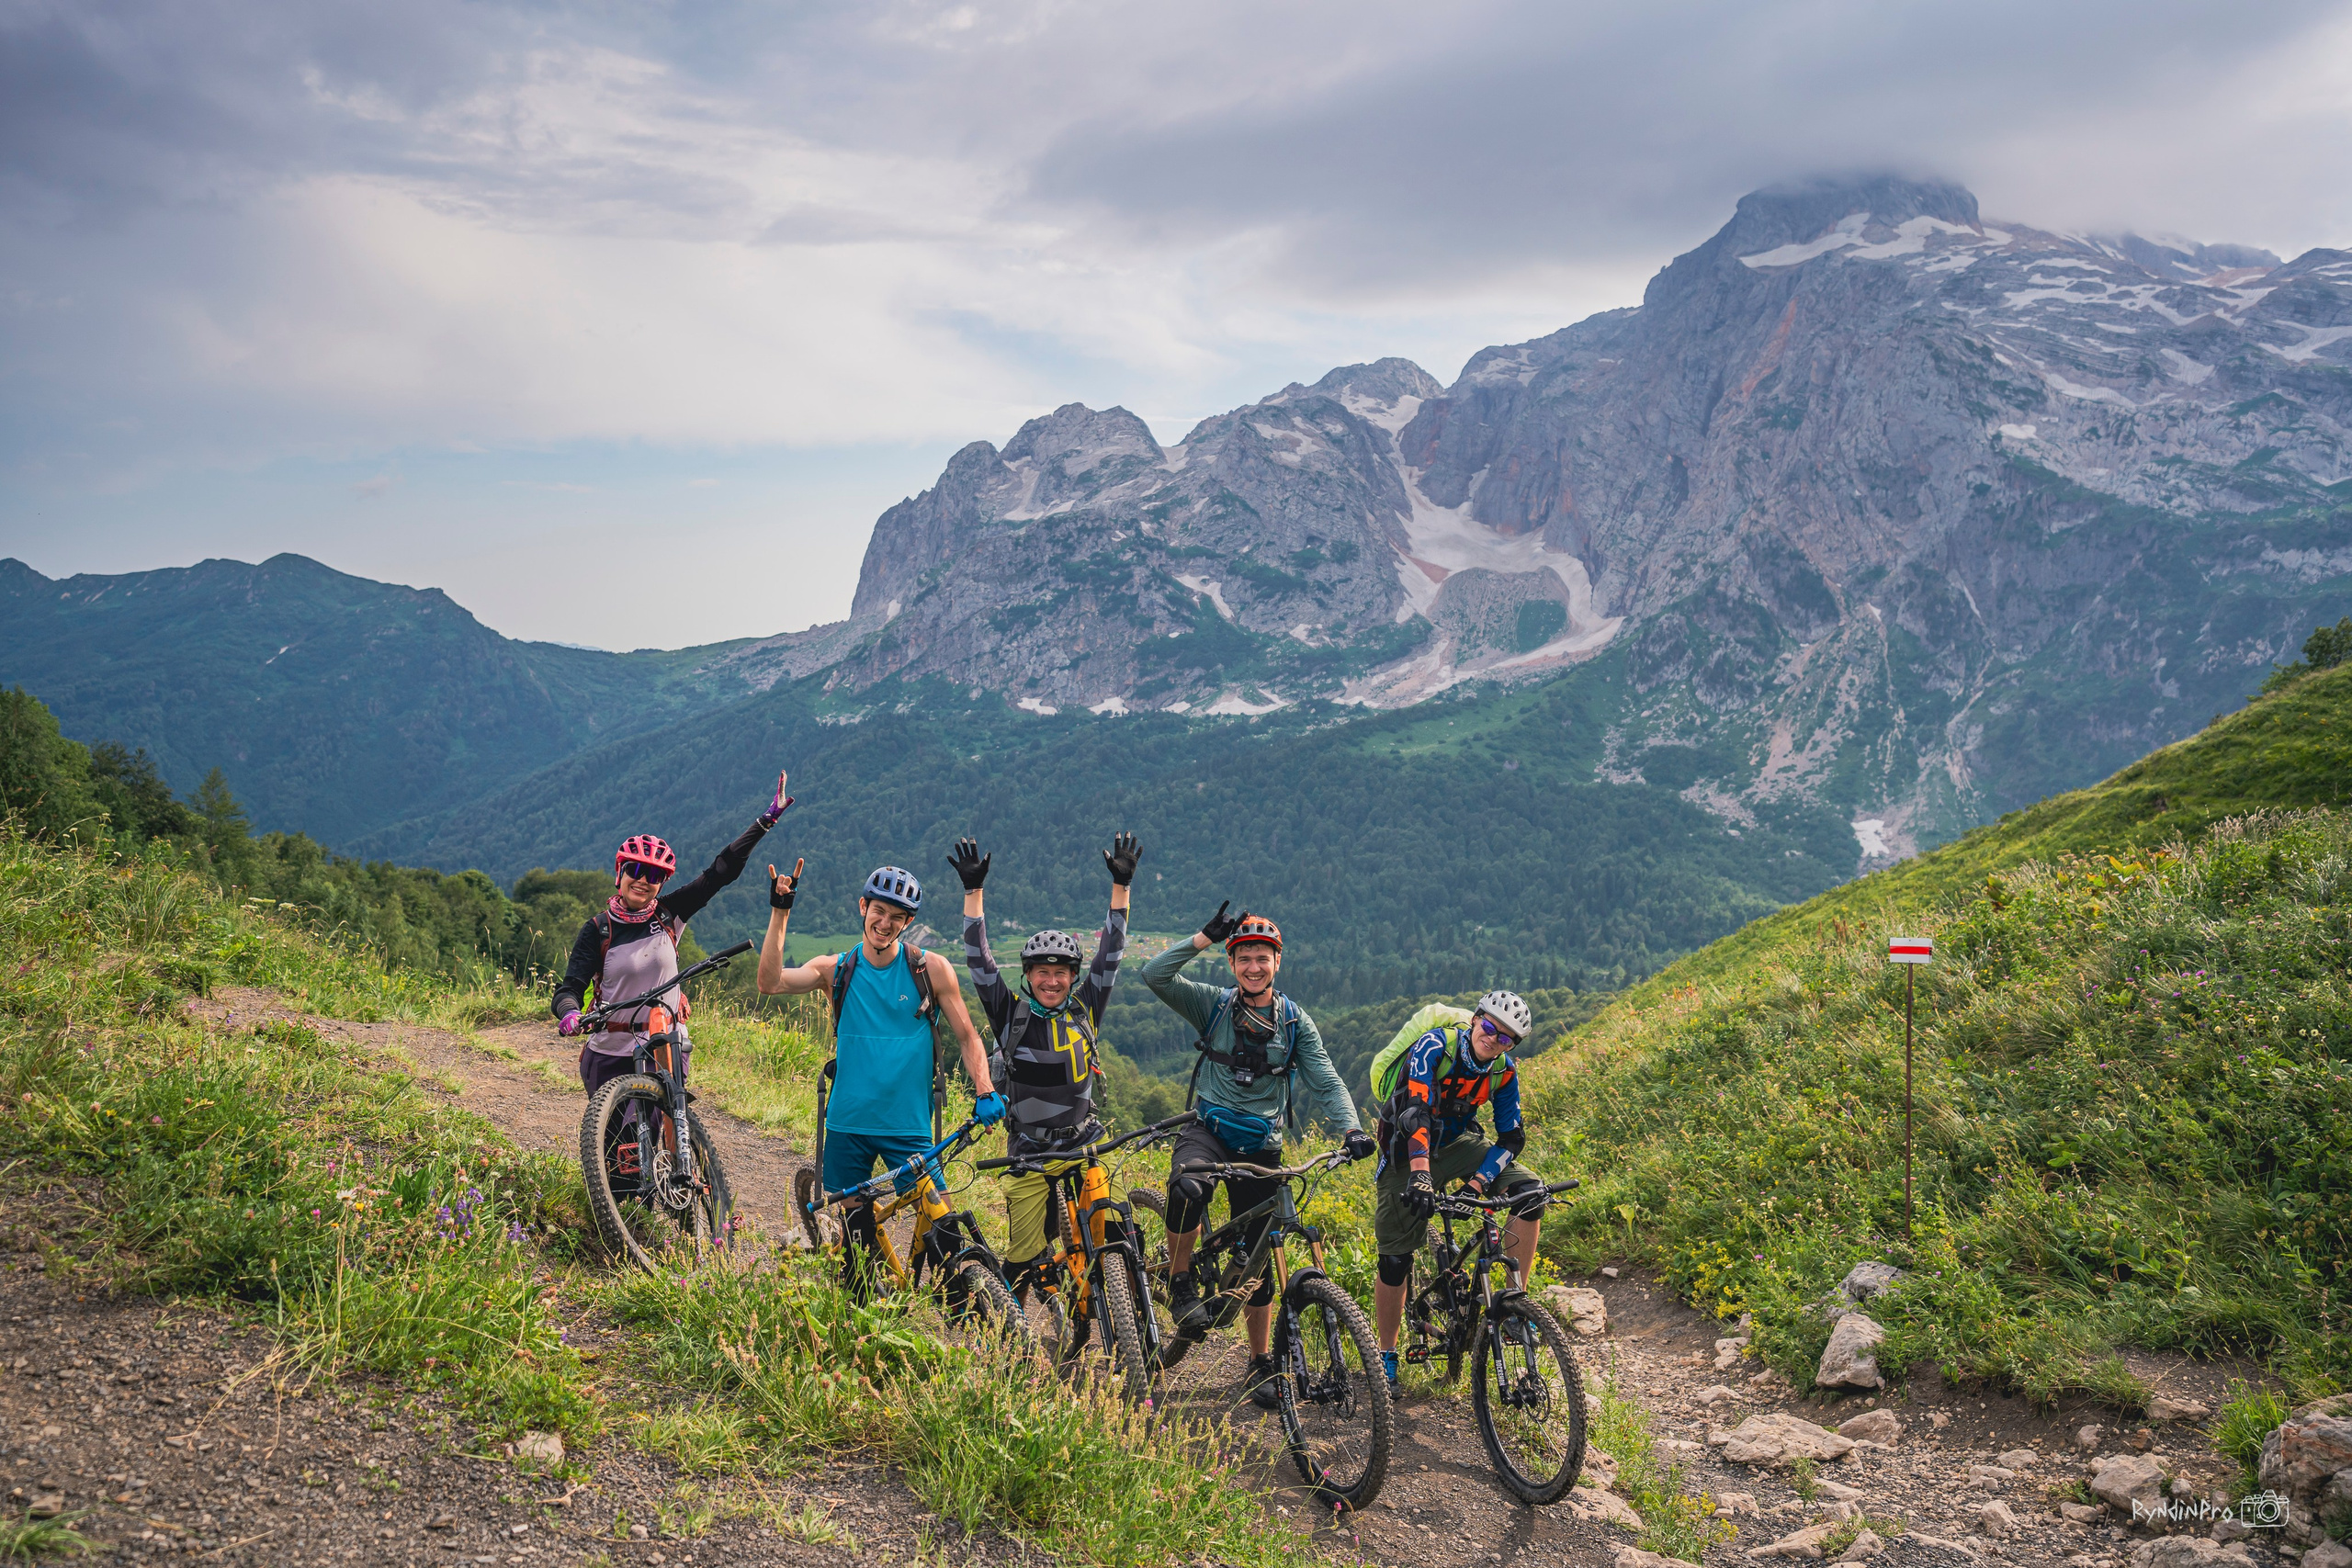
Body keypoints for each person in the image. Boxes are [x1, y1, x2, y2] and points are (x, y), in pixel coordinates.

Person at [1140, 903, 1374, 1407]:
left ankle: (1260, 1362)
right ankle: (1181, 1281)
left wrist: (1351, 1129)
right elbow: (1153, 974)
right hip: (1209, 1129)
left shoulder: (1293, 1022)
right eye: (1244, 957)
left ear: (1277, 963)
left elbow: (1327, 1079)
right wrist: (1203, 937)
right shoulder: (1213, 1004)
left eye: (1262, 958)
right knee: (1186, 1189)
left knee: (1260, 1255)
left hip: (1261, 1142)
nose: (1253, 967)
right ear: (1232, 964)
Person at [756, 857, 1002, 1295]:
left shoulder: (931, 970)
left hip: (908, 1130)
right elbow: (770, 982)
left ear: (907, 923)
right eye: (879, 912)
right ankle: (867, 1331)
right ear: (862, 907)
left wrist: (984, 1089)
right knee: (857, 1254)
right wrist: (781, 910)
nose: (885, 924)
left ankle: (966, 1321)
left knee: (947, 1235)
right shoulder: (837, 969)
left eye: (897, 917)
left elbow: (968, 1037)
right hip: (848, 1126)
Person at [552, 769, 793, 1169]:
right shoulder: (599, 930)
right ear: (620, 873)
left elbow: (721, 871)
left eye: (655, 876)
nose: (644, 882)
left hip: (663, 1039)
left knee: (667, 1126)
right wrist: (570, 1013)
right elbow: (569, 988)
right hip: (610, 1047)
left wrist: (765, 822)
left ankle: (689, 1183)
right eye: (637, 872)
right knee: (620, 1155)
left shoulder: (669, 913)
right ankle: (623, 1213)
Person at [948, 832, 1137, 1303]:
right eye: (1041, 972)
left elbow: (1110, 952)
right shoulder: (1010, 1013)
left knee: (1111, 1235)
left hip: (1083, 1146)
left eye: (1061, 973)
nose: (1052, 981)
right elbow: (979, 960)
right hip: (1028, 1154)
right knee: (1025, 1256)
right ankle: (1008, 1334)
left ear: (1074, 978)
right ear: (1028, 977)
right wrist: (974, 893)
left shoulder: (1086, 1008)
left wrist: (1122, 885)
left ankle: (1121, 1312)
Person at [1371, 989, 1546, 1388]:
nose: (1494, 1039)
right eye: (1489, 1027)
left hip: (1456, 1145)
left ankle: (1514, 1306)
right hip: (1405, 1150)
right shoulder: (1435, 1045)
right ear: (1475, 1019)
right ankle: (1386, 1354)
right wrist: (1419, 1174)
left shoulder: (1502, 1071)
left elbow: (1511, 1139)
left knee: (1531, 1191)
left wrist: (1478, 1183)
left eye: (1505, 1038)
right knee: (1395, 1260)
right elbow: (1415, 1112)